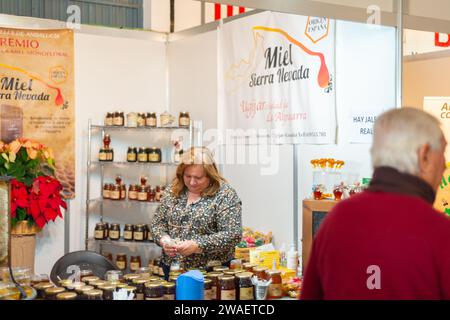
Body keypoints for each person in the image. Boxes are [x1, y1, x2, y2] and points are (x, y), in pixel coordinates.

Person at [301, 108, 450, 300]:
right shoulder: (440, 233)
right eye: (443, 151)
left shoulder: (336, 220)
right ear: (425, 155)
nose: (445, 164)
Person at [151, 147, 242, 278]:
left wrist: (197, 245)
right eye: (187, 176)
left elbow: (233, 234)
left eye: (198, 178)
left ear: (210, 175)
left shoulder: (225, 195)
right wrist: (164, 241)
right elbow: (157, 223)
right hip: (173, 269)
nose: (192, 182)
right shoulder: (173, 190)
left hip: (210, 273)